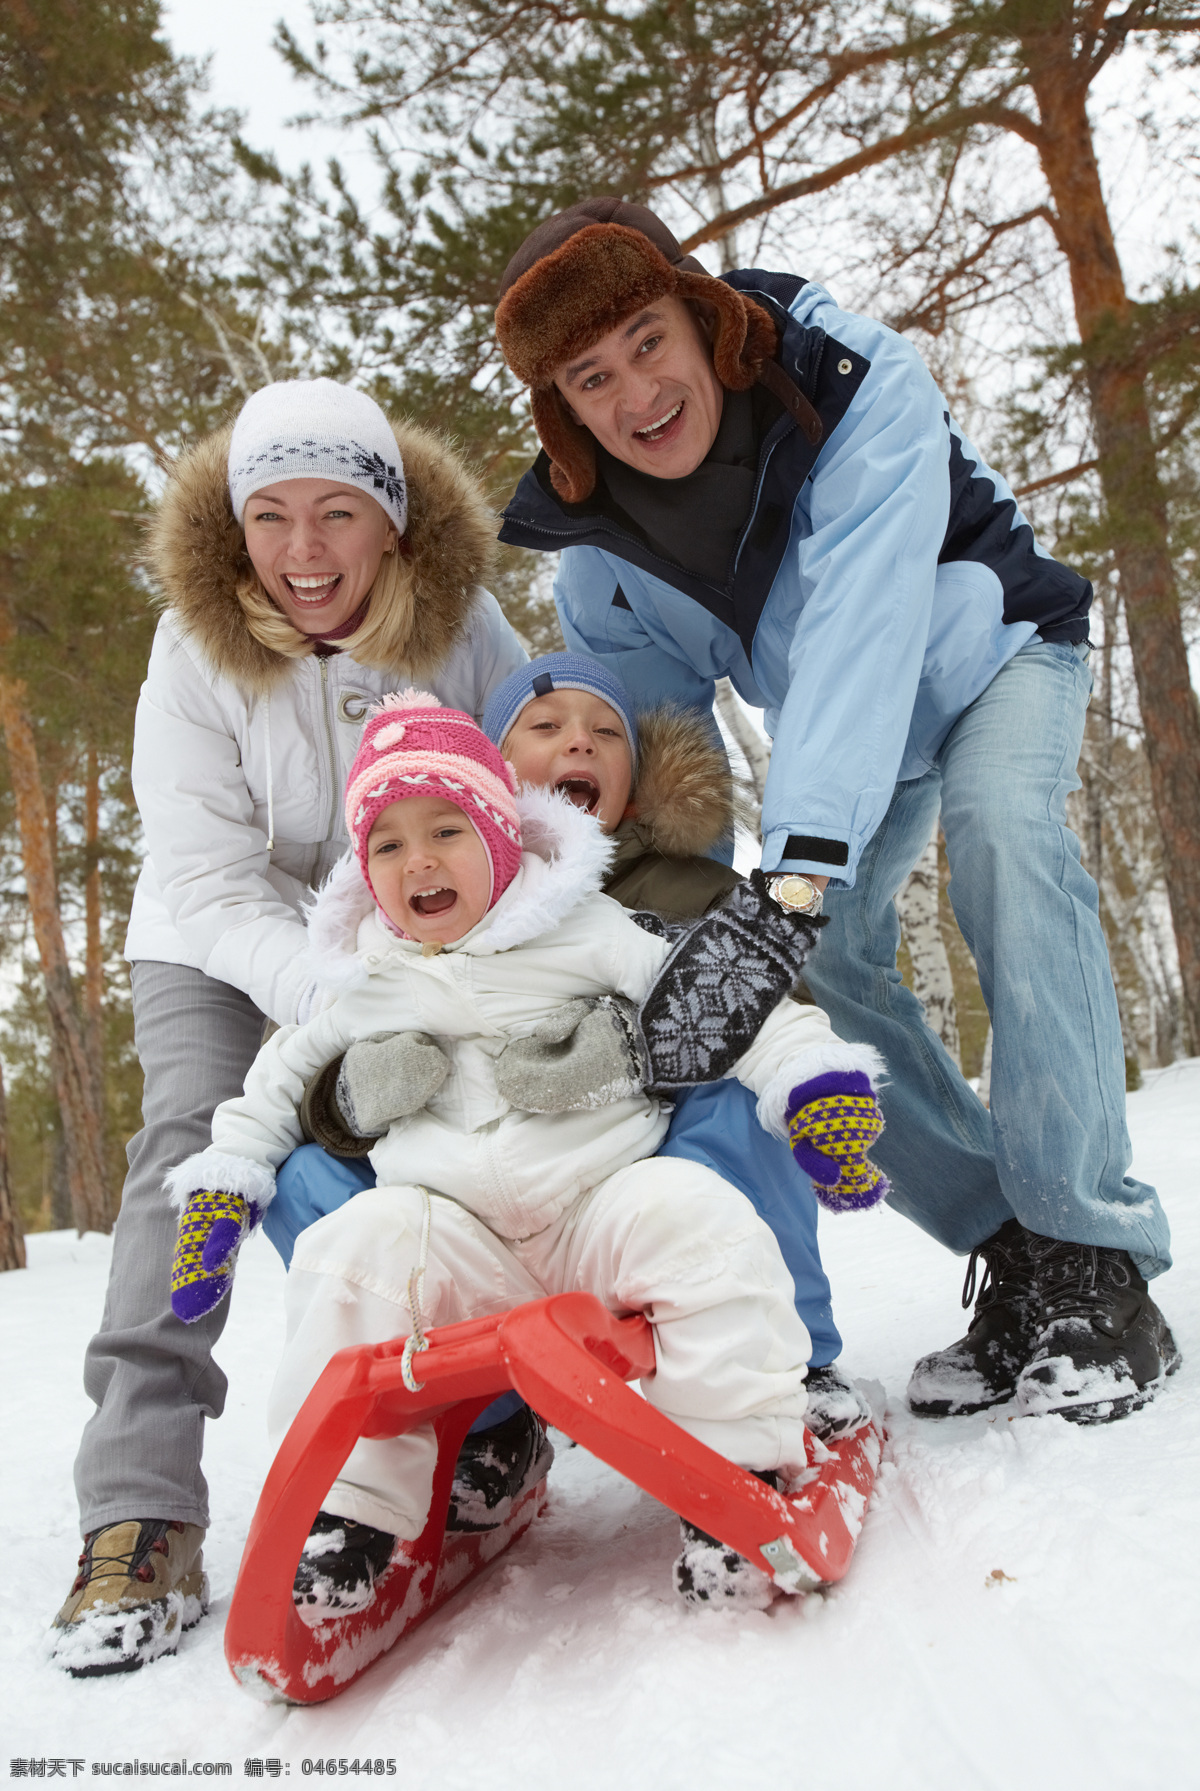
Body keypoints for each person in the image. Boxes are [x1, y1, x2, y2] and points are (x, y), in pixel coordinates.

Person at [491, 196, 1179, 1430]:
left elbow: (868, 629)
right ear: (564, 408)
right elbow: (670, 774)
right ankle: (1016, 1250)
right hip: (849, 746)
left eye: (649, 341)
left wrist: (794, 881)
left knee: (1007, 848)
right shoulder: (597, 556)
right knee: (821, 985)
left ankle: (1096, 1255)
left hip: (990, 660)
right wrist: (652, 947)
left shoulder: (853, 383)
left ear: (703, 320)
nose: (637, 393)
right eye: (592, 377)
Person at [166, 690, 889, 1611]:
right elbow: (274, 1084)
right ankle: (351, 1510)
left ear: (502, 837)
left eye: (445, 831)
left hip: (597, 1207)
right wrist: (224, 1190)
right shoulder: (365, 977)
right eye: (387, 845)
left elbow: (720, 1003)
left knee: (697, 1216)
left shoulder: (582, 929)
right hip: (458, 1238)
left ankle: (740, 1467)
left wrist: (815, 1080)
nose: (417, 859)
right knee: (351, 1252)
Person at [50, 379, 526, 1678]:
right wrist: (321, 991)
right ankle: (140, 1505)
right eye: (271, 517)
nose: (303, 553)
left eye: (336, 513)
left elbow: (518, 794)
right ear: (237, 526)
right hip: (213, 933)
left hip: (401, 919)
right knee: (196, 1150)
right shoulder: (193, 645)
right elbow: (204, 877)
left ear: (390, 518)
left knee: (442, 1139)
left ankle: (483, 1414)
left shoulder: (463, 627)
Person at [273, 652, 868, 1447]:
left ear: (634, 770)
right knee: (304, 1181)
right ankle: (478, 1421)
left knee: (736, 1106)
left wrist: (630, 1053)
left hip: (626, 1179)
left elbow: (762, 1019)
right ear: (493, 765)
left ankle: (789, 1365)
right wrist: (351, 1097)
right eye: (546, 726)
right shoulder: (417, 906)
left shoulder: (690, 890)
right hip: (472, 1202)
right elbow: (309, 1060)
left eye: (606, 733)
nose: (579, 744)